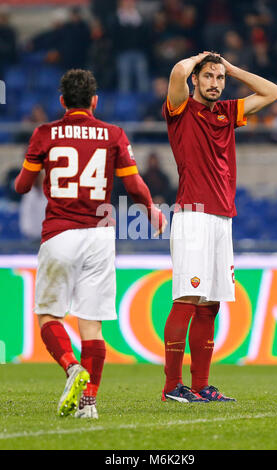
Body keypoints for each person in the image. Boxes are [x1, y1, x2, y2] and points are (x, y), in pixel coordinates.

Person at [14, 69, 167, 418]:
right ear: (95, 101)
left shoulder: (44, 134)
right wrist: (153, 211)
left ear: (62, 101)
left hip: (60, 233)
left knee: (48, 315)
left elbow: (22, 187)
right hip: (100, 235)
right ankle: (89, 404)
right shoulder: (113, 134)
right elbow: (135, 185)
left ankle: (71, 368)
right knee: (92, 324)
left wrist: (39, 165)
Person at [161, 52, 277, 403]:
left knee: (210, 304)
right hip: (193, 214)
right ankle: (171, 386)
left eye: (219, 78)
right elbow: (176, 72)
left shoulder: (227, 112)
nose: (215, 83)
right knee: (186, 297)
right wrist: (200, 59)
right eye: (208, 77)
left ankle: (201, 385)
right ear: (195, 81)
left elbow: (272, 92)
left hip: (222, 217)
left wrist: (231, 68)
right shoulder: (180, 109)